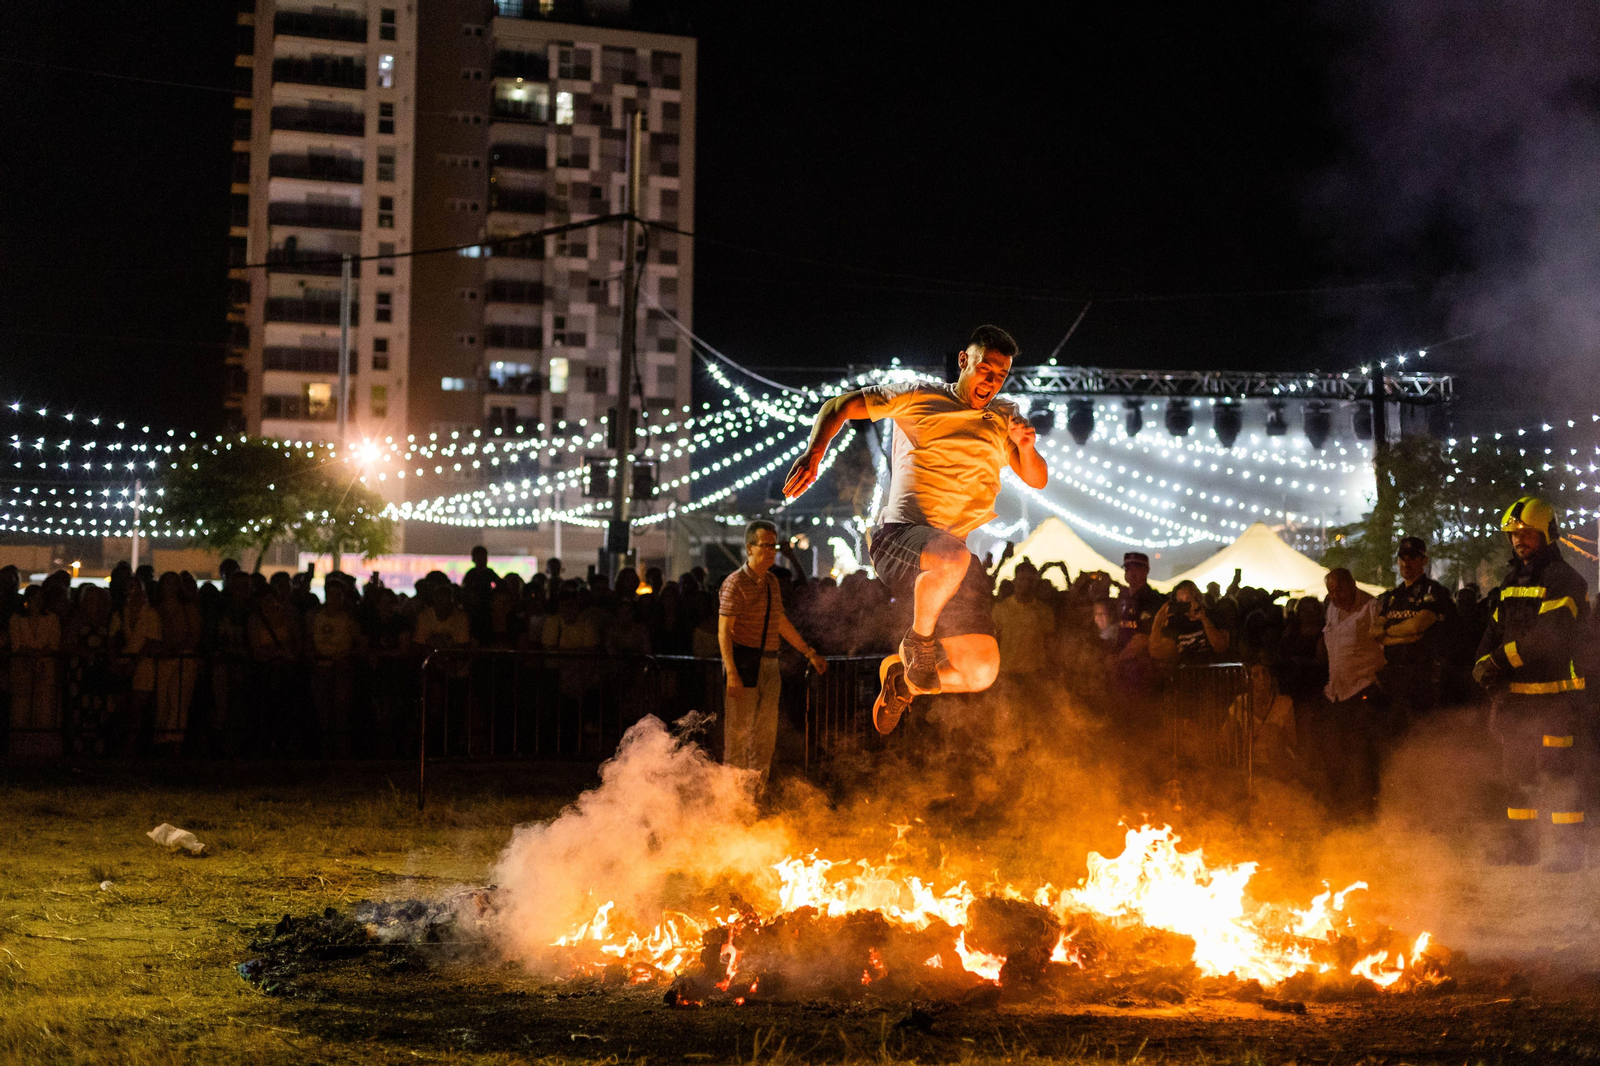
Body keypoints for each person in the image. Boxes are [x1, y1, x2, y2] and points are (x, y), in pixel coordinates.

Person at [782, 325, 1048, 734]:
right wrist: (814, 454)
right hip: (900, 538)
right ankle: (917, 643)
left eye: (1001, 375)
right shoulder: (919, 396)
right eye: (985, 369)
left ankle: (902, 680)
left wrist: (1025, 447)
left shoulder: (1004, 417)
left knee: (982, 670)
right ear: (964, 361)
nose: (992, 381)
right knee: (952, 557)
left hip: (952, 557)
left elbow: (1037, 479)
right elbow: (839, 405)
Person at [1474, 496, 1590, 871]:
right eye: (1513, 534)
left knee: (1559, 774)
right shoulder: (1511, 581)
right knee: (1518, 776)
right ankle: (1521, 848)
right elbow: (1494, 629)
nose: (1518, 540)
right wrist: (1481, 662)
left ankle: (1569, 852)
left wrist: (1498, 660)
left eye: (1526, 533)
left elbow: (1548, 637)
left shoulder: (1565, 580)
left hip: (1557, 700)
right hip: (1517, 701)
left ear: (1546, 533)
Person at [718, 521, 827, 782]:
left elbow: (779, 621)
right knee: (738, 736)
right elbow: (724, 632)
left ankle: (755, 796)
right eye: (765, 545)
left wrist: (808, 652)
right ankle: (731, 800)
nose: (771, 551)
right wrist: (731, 672)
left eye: (773, 546)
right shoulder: (735, 583)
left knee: (764, 737)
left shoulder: (771, 582)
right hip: (744, 663)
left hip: (769, 663)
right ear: (749, 548)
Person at [1318, 567, 1389, 819]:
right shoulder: (1332, 608)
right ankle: (1342, 805)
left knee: (1364, 754)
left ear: (1352, 585)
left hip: (1363, 690)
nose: (1336, 596)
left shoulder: (1371, 607)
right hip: (1337, 693)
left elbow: (1386, 647)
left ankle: (1369, 807)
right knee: (1338, 752)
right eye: (1331, 591)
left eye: (1340, 590)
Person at [1372, 536, 1454, 727]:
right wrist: (1406, 636)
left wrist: (1388, 633)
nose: (1406, 563)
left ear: (1424, 560)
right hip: (1393, 677)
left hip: (1423, 678)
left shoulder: (1434, 591)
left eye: (1412, 558)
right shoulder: (1393, 596)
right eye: (1402, 558)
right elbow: (1374, 633)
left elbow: (1417, 626)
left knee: (1422, 734)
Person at [1150, 579, 1230, 664]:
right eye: (1182, 602)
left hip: (1211, 668)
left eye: (1192, 598)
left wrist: (1204, 619)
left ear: (1200, 597)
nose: (1189, 604)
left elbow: (1220, 647)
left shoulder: (1214, 616)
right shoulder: (1175, 623)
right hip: (1186, 670)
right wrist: (1157, 623)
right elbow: (1159, 654)